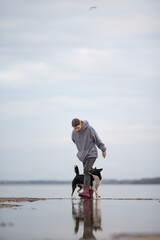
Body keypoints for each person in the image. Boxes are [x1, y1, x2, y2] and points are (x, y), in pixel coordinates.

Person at [71, 118, 107, 198]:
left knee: (86, 170)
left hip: (92, 153)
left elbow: (97, 139)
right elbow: (73, 139)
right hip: (83, 155)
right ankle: (90, 194)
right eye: (75, 128)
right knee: (88, 173)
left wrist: (103, 149)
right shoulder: (74, 133)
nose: (76, 129)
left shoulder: (89, 129)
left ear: (81, 124)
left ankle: (86, 191)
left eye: (78, 127)